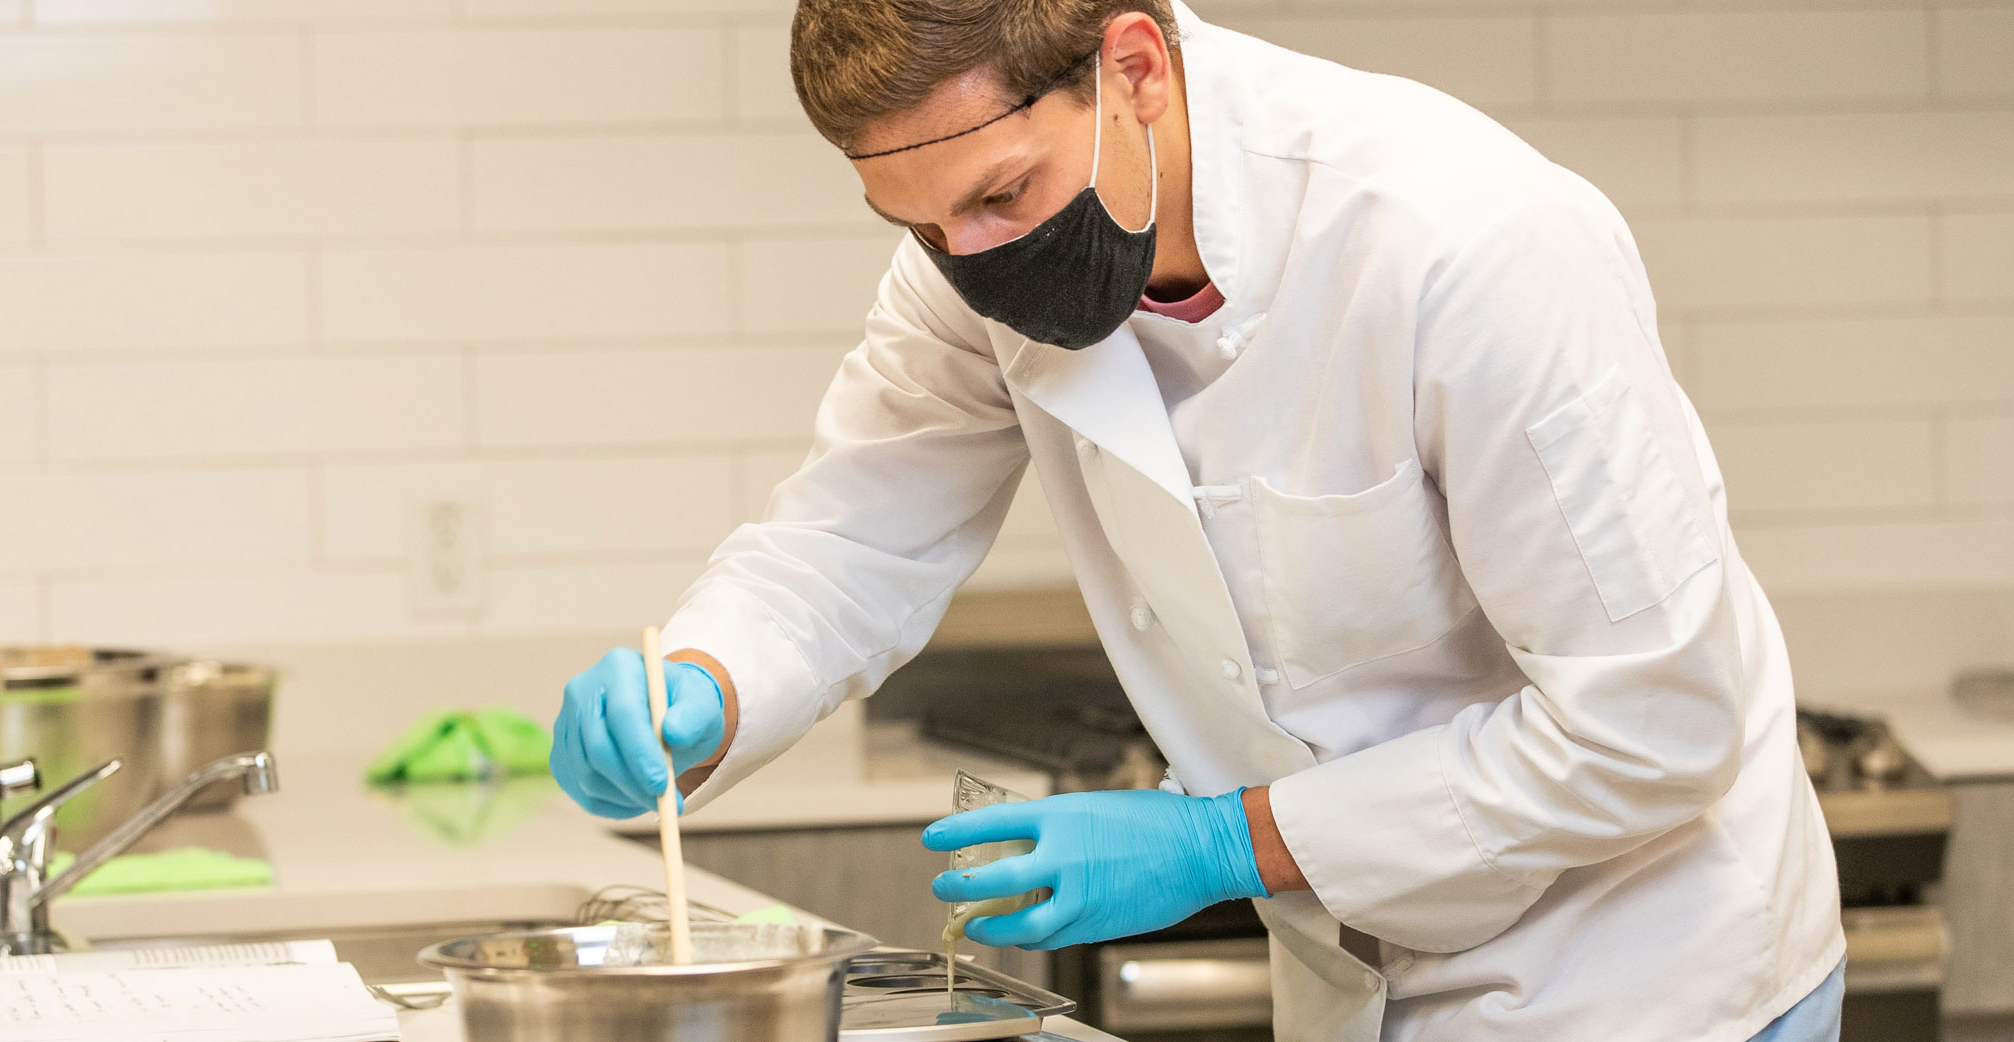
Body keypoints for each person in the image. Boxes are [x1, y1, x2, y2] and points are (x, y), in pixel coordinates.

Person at [546, 1, 1846, 1038]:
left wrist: (1230, 839)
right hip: (1365, 973)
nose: (971, 257)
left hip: (1643, 972)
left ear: (1134, 71)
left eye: (1001, 196)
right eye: (920, 224)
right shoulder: (966, 256)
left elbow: (1654, 723)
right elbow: (852, 539)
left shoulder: (1467, 245)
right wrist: (706, 679)